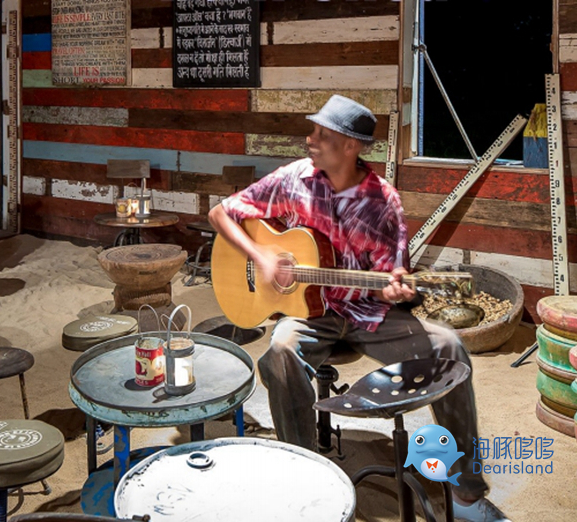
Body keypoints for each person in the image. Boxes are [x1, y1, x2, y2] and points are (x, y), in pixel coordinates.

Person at [208, 95, 511, 522]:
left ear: (351, 145)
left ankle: (465, 495)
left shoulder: (382, 203)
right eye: (313, 131)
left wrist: (395, 290)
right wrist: (260, 255)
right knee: (279, 353)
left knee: (449, 349)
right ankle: (307, 478)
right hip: (308, 313)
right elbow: (220, 213)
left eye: (322, 134)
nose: (309, 139)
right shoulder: (293, 178)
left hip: (368, 315)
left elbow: (392, 274)